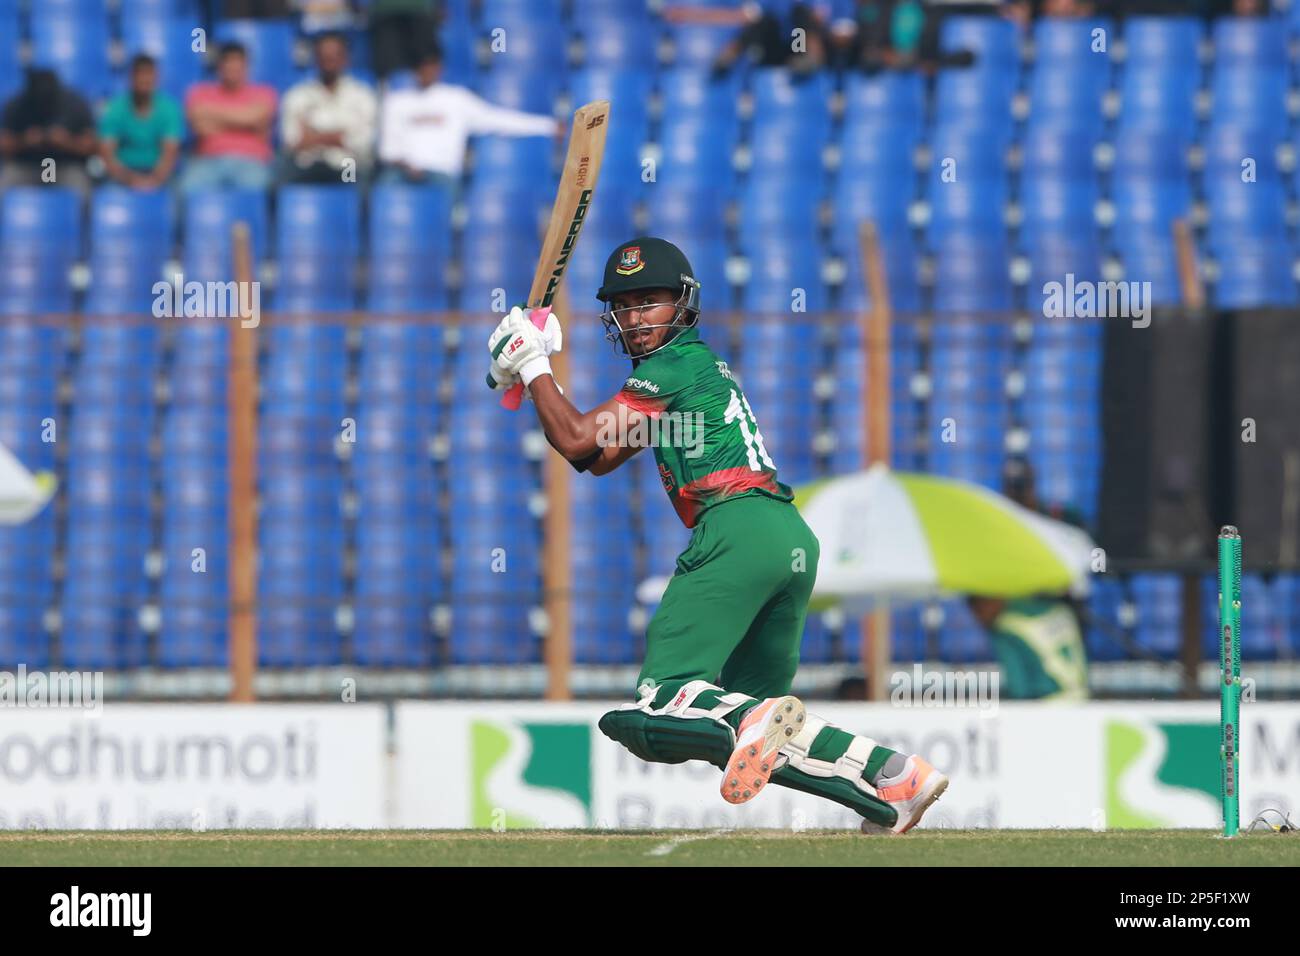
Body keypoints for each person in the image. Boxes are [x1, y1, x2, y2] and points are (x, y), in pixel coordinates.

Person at [486, 236, 950, 835]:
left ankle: (772, 724)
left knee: (660, 700)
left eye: (649, 302)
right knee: (730, 732)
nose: (635, 318)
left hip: (736, 530)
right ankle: (894, 781)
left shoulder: (673, 366)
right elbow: (594, 458)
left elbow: (575, 438)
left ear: (683, 303)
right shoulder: (688, 374)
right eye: (624, 306)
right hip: (786, 539)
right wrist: (539, 367)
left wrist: (533, 367)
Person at [967, 459, 1090, 701]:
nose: (1019, 497)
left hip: (1054, 627)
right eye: (1013, 489)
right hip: (1015, 631)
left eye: (1023, 487)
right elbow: (982, 606)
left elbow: (1077, 583)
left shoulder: (1057, 523)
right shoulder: (990, 530)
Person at [376, 44, 560, 189]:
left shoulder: (457, 99)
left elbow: (498, 119)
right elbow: (388, 150)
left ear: (439, 67)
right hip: (401, 175)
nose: (426, 71)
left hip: (442, 177)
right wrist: (408, 166)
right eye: (421, 66)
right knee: (384, 188)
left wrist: (548, 126)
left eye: (431, 65)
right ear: (414, 69)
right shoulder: (396, 101)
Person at [179, 42, 277, 193]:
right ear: (219, 66)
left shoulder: (264, 93)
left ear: (246, 66)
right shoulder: (199, 92)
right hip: (208, 162)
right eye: (228, 62)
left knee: (259, 188)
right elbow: (200, 127)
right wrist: (246, 121)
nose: (232, 68)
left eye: (237, 63)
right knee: (185, 188)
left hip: (252, 162)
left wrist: (212, 115)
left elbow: (258, 119)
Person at [280, 32, 377, 183]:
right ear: (316, 59)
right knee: (282, 181)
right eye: (324, 56)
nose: (329, 61)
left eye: (334, 56)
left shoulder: (362, 95)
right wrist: (337, 136)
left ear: (345, 59)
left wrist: (314, 136)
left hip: (347, 162)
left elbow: (364, 142)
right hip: (308, 163)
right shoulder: (297, 95)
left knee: (352, 184)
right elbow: (291, 141)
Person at [0, 68, 96, 193]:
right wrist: (24, 140)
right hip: (27, 165)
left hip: (63, 166)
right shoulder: (17, 105)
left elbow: (91, 146)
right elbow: (3, 144)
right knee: (4, 184)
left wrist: (67, 142)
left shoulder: (74, 104)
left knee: (82, 189)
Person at [99, 54, 184, 190]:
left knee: (179, 194)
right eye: (140, 74)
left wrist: (154, 180)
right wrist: (131, 180)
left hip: (160, 176)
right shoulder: (115, 108)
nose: (144, 79)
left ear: (157, 77)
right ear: (131, 78)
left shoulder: (170, 108)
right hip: (123, 176)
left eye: (149, 74)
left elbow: (170, 153)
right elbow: (107, 153)